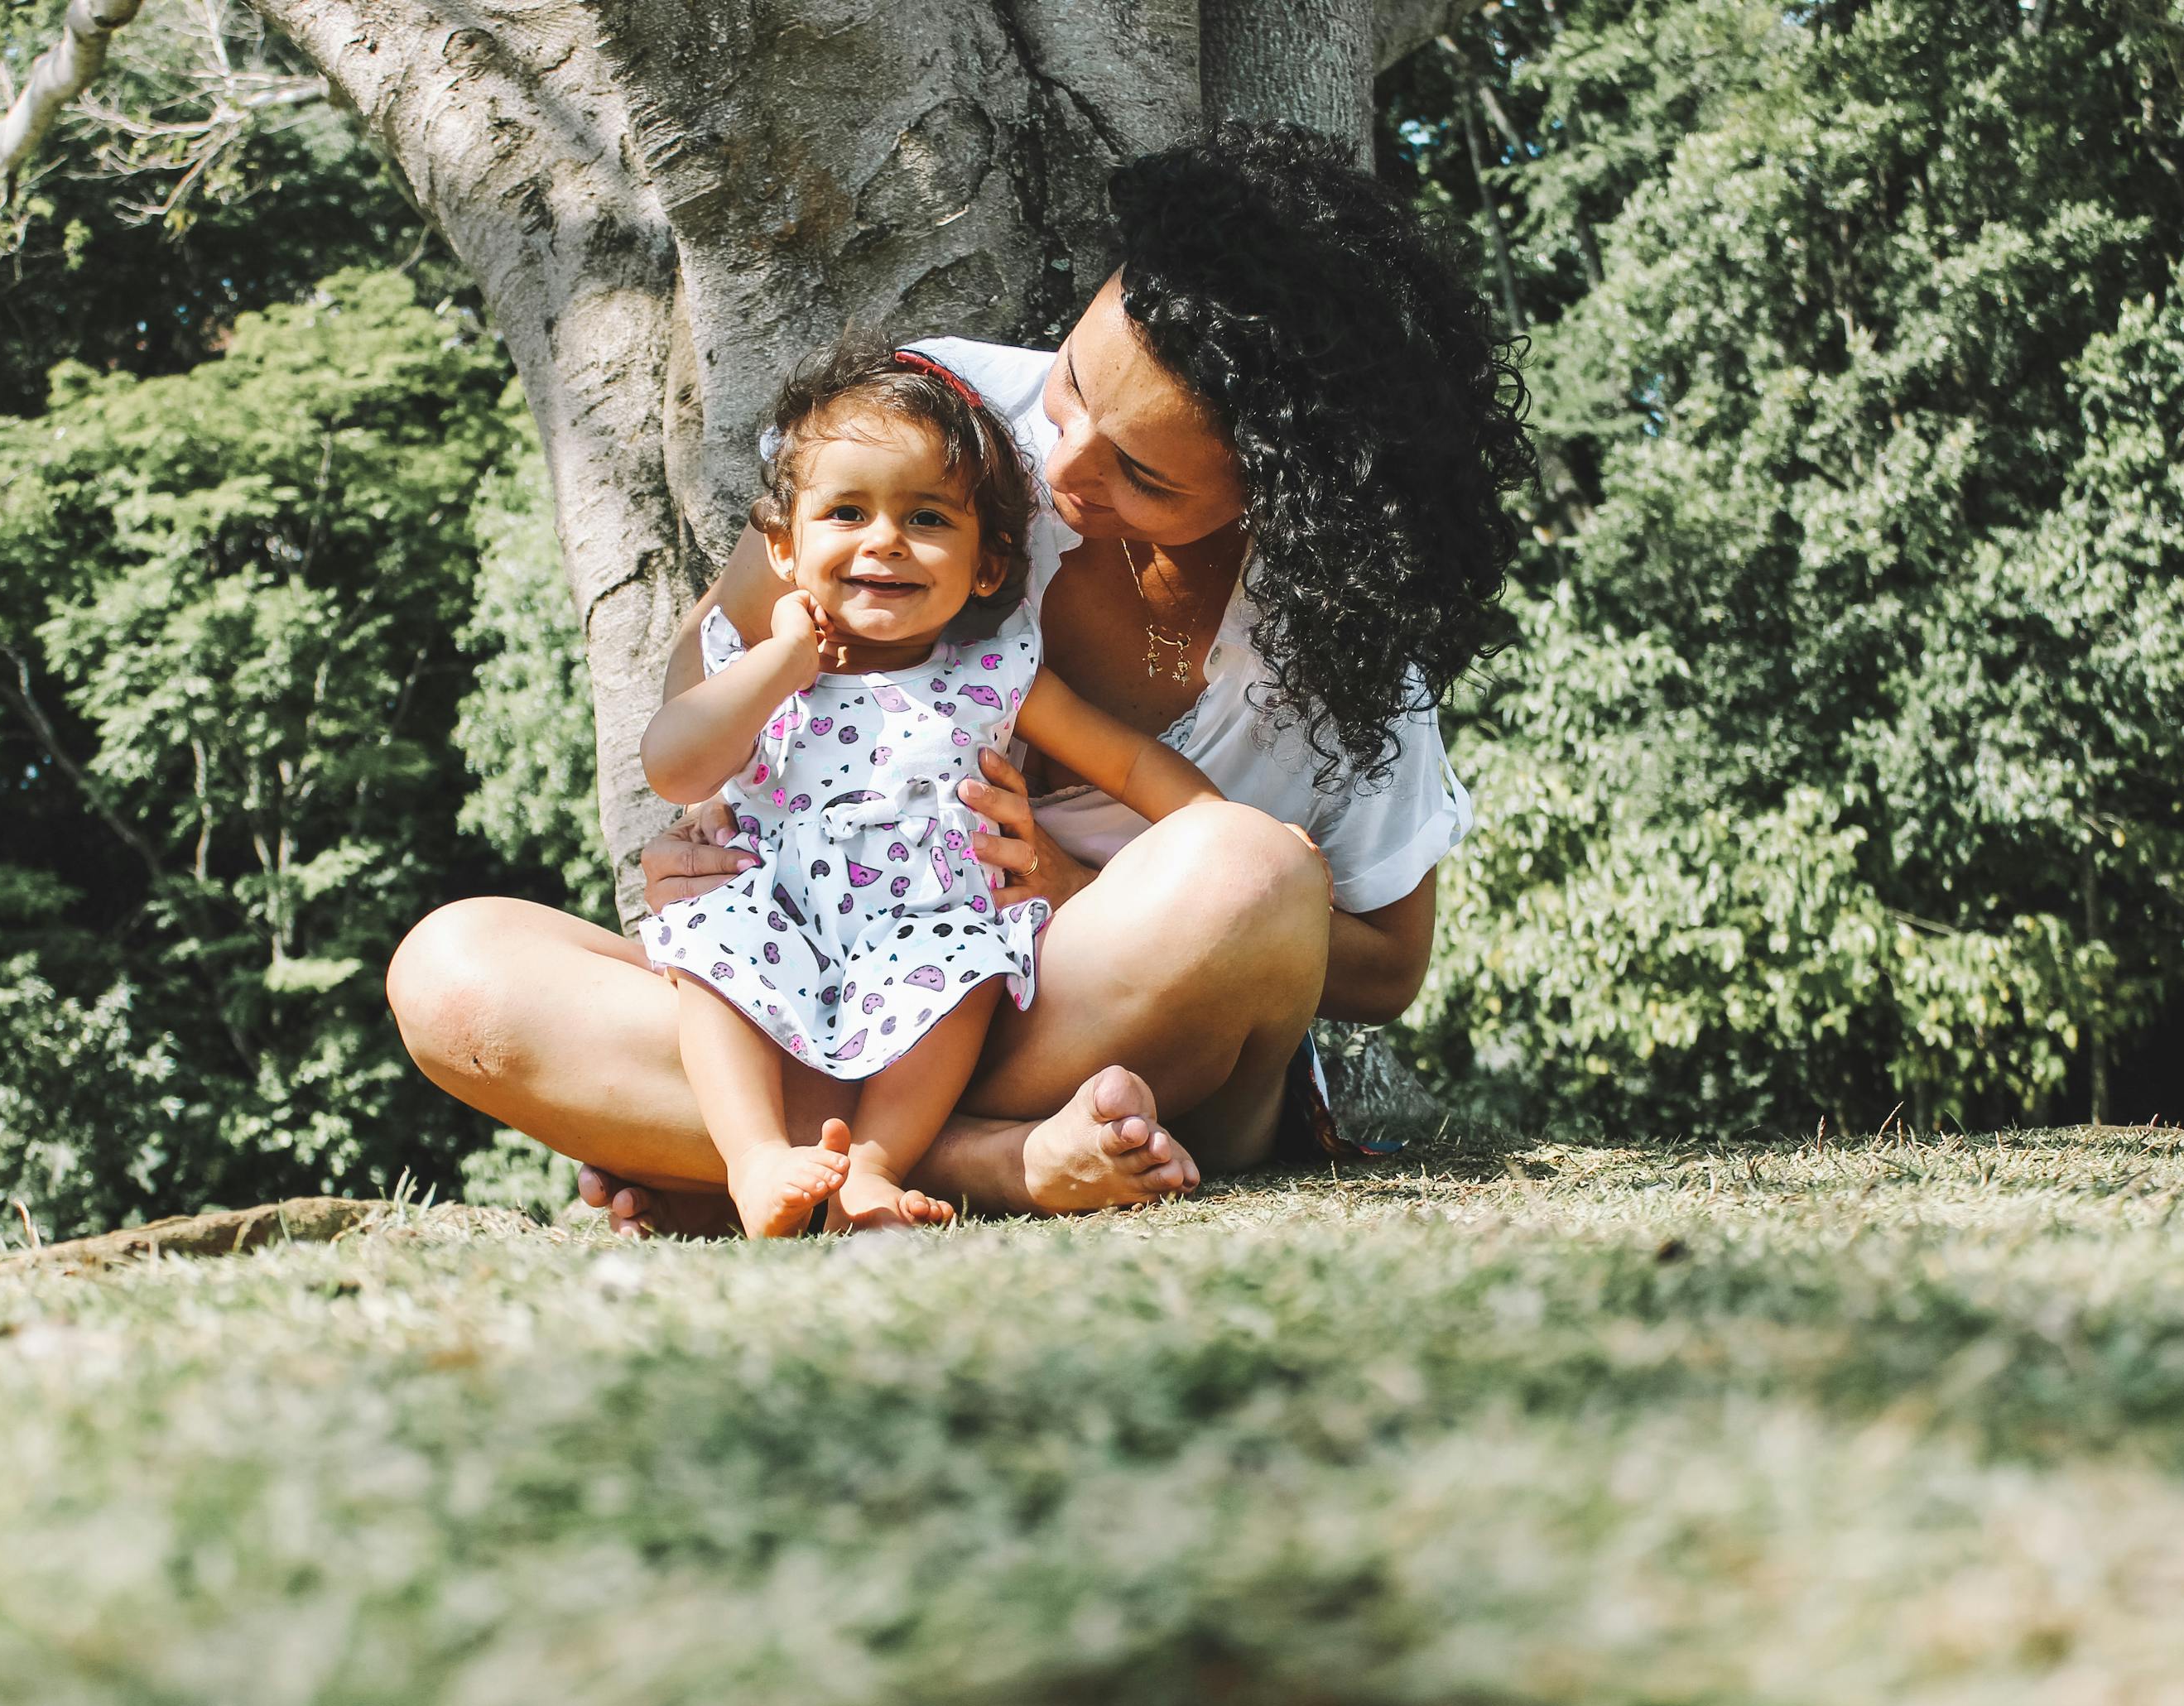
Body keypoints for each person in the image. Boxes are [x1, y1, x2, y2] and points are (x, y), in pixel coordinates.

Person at [386, 124, 1531, 1233]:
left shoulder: (1344, 634)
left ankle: (743, 1152)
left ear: (1279, 491)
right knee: (455, 973)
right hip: (823, 973)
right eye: (1076, 384)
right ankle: (975, 1161)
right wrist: (708, 814)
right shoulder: (929, 431)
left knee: (1245, 869)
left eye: (1141, 476)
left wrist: (1074, 887)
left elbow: (1384, 966)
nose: (1062, 465)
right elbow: (715, 645)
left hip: (1090, 1015)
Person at [642, 344, 1228, 1235]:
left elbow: (1135, 764)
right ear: (785, 548)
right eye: (846, 512)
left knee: (970, 964)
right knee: (710, 951)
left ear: (987, 566)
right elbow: (674, 766)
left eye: (926, 518)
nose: (883, 540)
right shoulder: (758, 670)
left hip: (926, 931)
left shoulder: (993, 677)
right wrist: (784, 658)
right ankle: (755, 1159)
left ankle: (874, 1167)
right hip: (776, 915)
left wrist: (1212, 833)